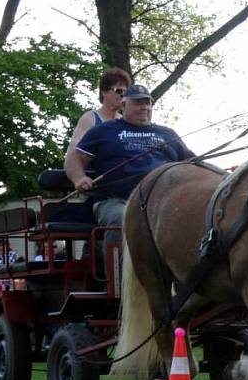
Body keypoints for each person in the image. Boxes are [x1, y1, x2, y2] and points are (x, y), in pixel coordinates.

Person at [64, 83, 194, 261]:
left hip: (164, 201)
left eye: (148, 103)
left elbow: (193, 163)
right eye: (138, 103)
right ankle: (117, 280)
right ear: (124, 105)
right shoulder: (104, 131)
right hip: (116, 201)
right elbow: (74, 159)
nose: (145, 108)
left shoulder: (167, 134)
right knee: (122, 219)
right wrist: (79, 178)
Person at [64, 67, 132, 158]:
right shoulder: (91, 118)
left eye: (126, 92)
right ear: (104, 91)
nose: (122, 95)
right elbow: (73, 152)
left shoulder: (124, 121)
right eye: (118, 91)